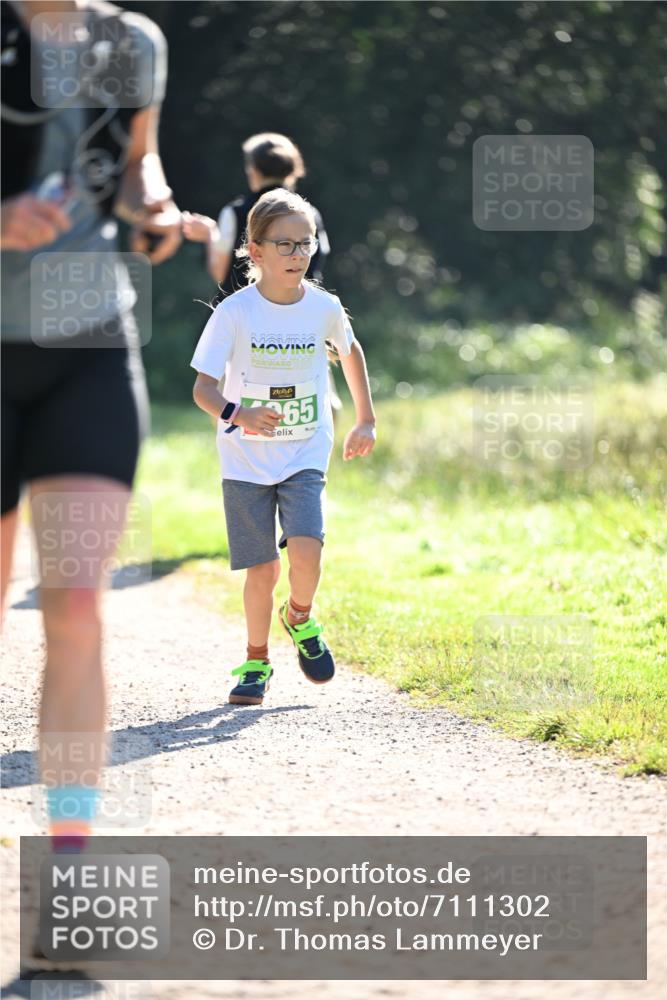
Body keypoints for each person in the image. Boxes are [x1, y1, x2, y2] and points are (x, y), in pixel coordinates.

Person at [1, 0, 181, 858]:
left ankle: (71, 860)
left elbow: (137, 162)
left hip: (91, 348)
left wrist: (152, 203)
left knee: (75, 607)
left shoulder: (129, 43)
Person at [191, 188, 376, 706]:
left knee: (307, 551)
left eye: (306, 244)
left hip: (304, 451)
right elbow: (203, 388)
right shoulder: (234, 313)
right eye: (286, 245)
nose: (299, 255)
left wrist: (366, 419)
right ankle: (255, 662)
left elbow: (351, 349)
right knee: (262, 569)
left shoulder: (324, 308)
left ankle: (299, 615)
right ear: (255, 249)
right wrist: (239, 413)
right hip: (245, 457)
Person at [182, 131, 329, 295]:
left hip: (245, 316)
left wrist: (210, 234)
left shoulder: (235, 213)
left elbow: (220, 274)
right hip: (301, 313)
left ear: (253, 170)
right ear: (293, 169)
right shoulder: (310, 214)